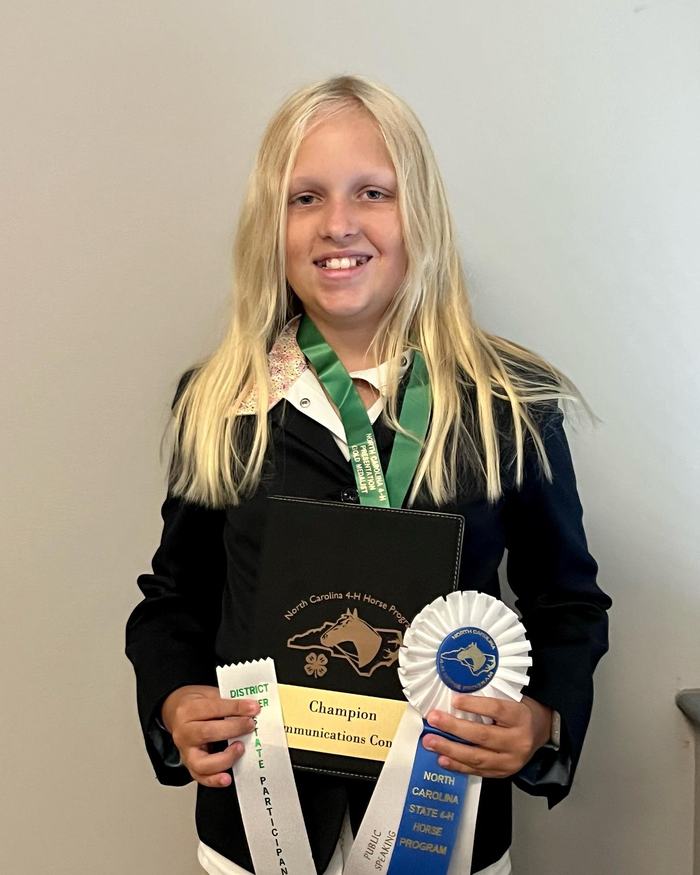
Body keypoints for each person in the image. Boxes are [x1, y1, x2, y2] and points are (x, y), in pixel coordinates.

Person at [126, 74, 611, 875]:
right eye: (305, 196)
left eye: (372, 192)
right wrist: (176, 699)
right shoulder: (216, 401)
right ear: (270, 225)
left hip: (444, 821)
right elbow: (175, 597)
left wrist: (541, 718)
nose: (338, 223)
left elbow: (568, 601)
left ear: (417, 212)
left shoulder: (508, 405)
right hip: (260, 827)